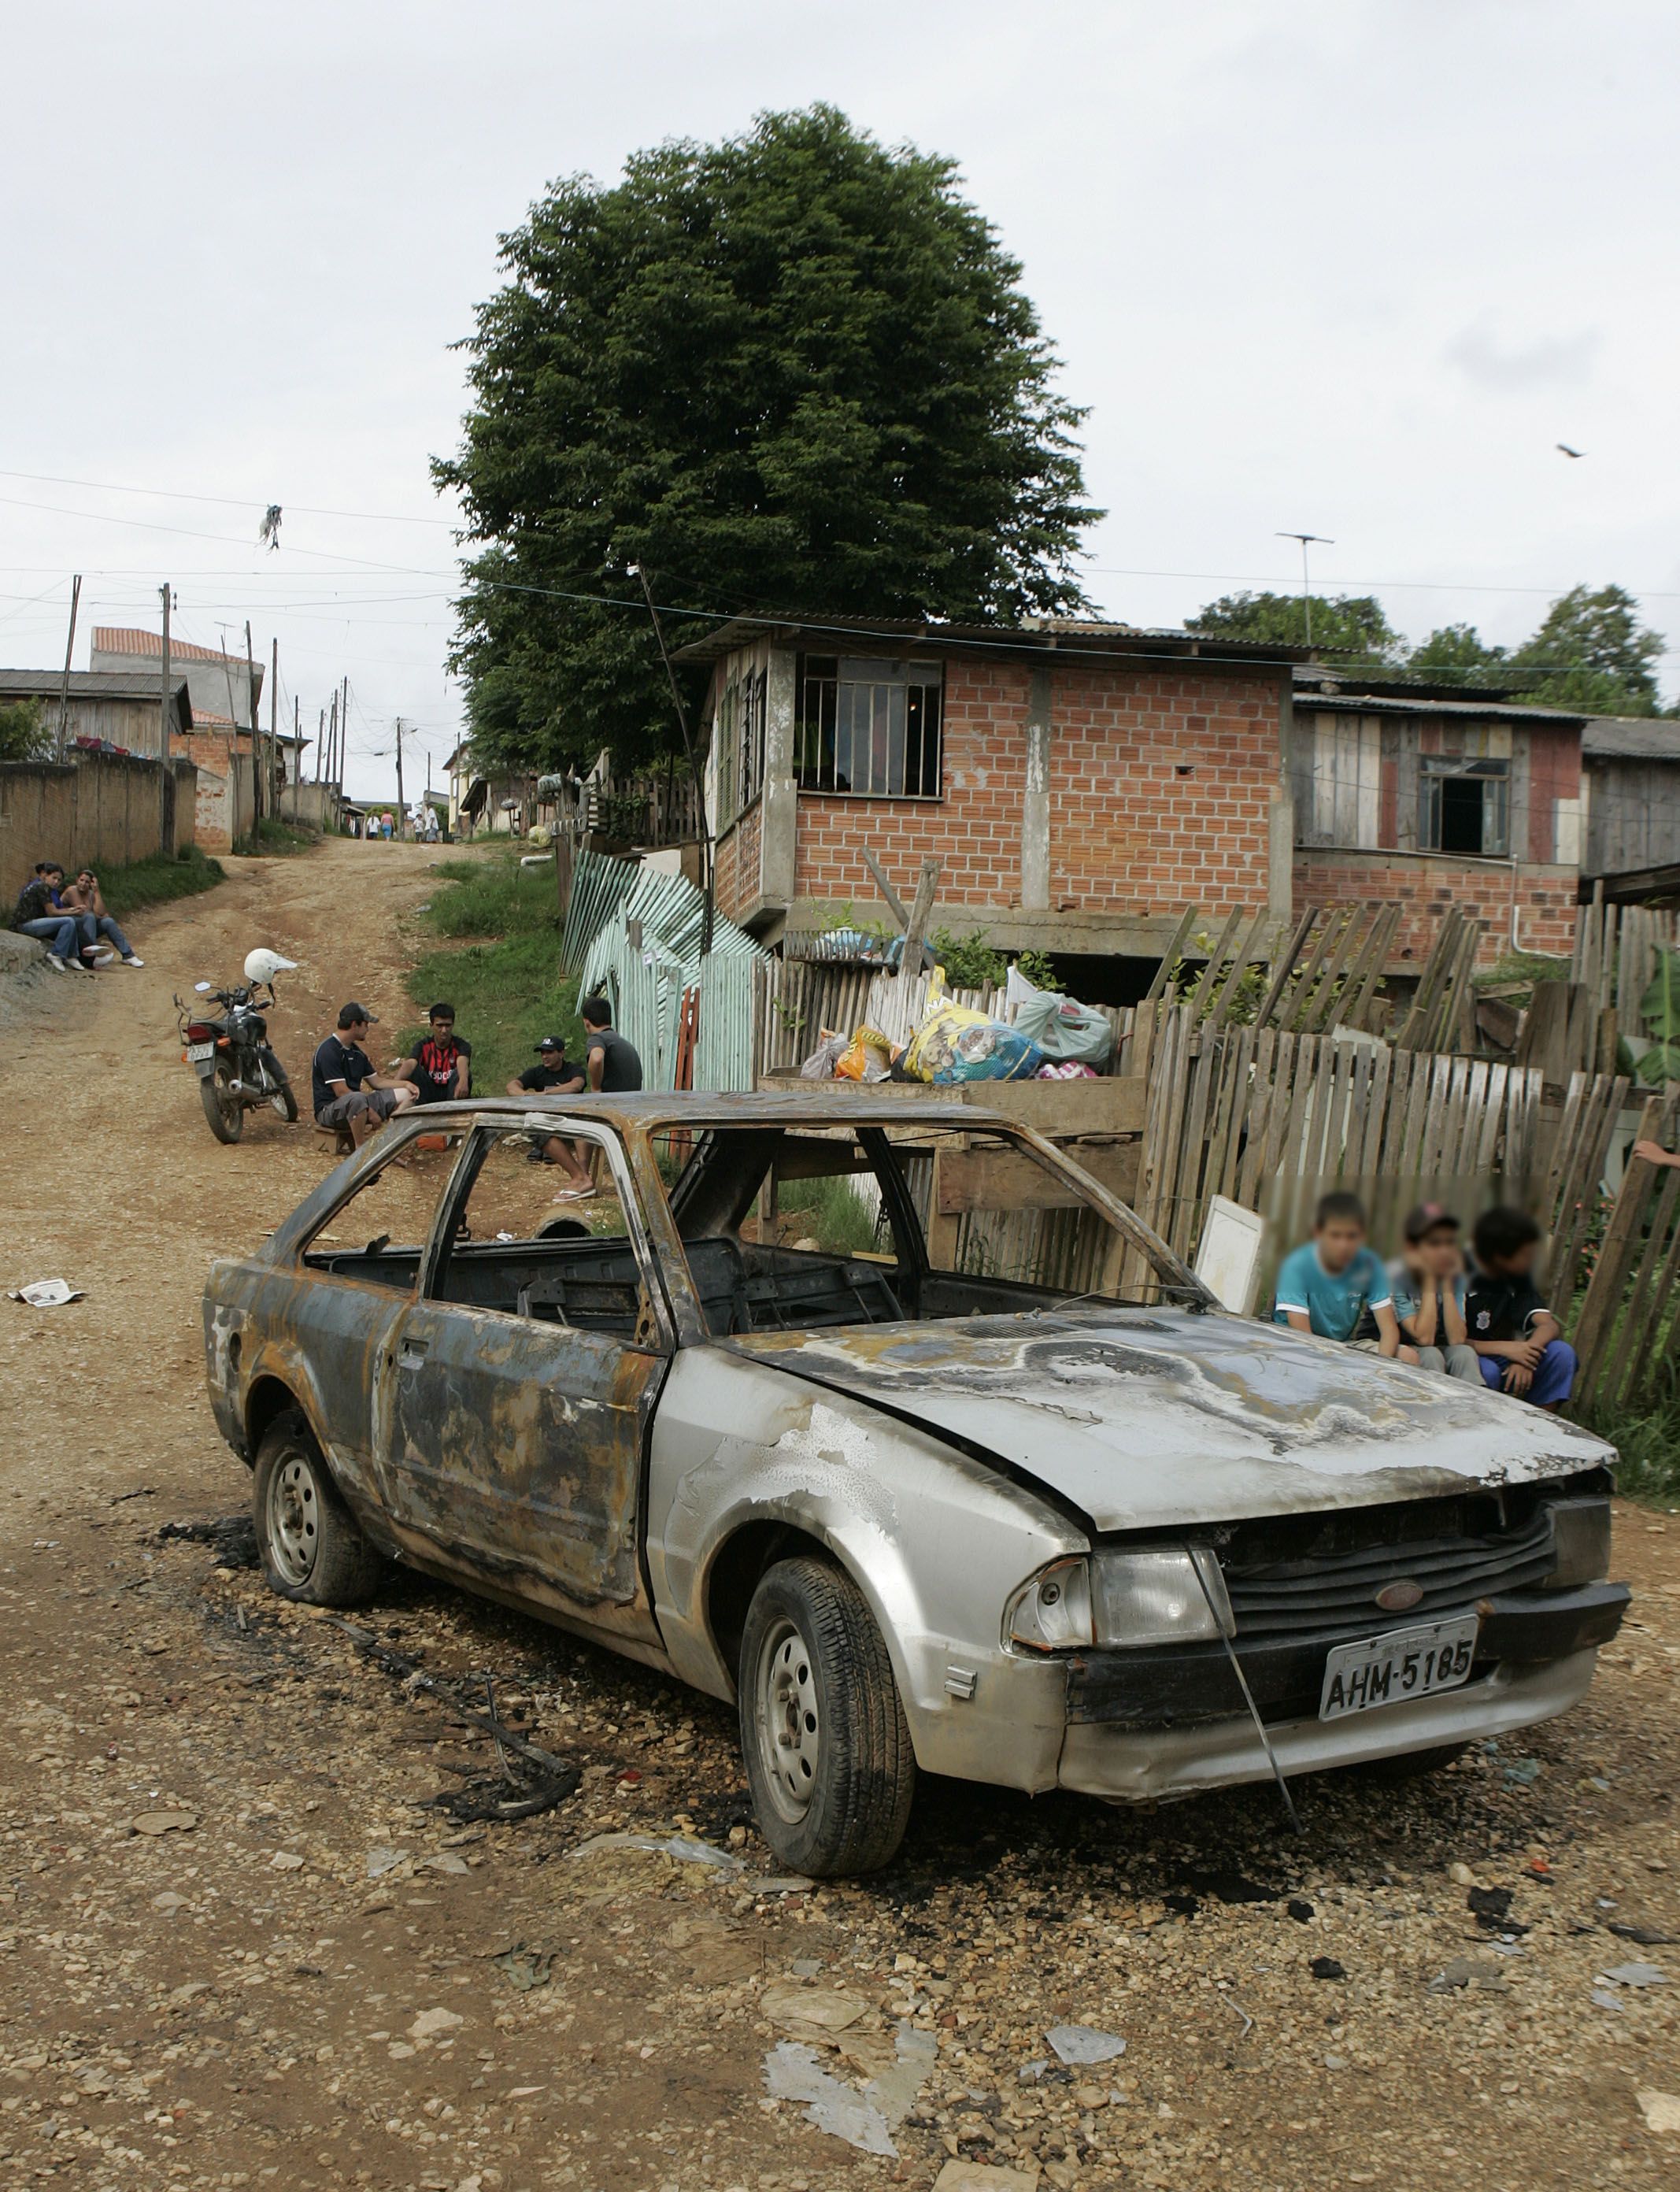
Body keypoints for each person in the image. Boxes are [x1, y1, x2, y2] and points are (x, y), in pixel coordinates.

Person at [1273, 1191, 1409, 1359]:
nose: (1343, 1245)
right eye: (1335, 1235)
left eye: (1351, 1236)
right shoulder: (1296, 1267)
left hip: (1341, 1346)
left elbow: (1389, 1331)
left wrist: (1379, 1369)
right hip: (1292, 1346)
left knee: (1408, 1356)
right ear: (1318, 1234)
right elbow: (1302, 1337)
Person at [1466, 1205, 1576, 1409]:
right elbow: (1448, 1341)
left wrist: (1527, 1357)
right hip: (1465, 1355)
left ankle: (1541, 1428)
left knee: (1561, 1353)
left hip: (1504, 1353)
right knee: (1486, 1371)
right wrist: (1508, 1349)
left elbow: (1549, 1325)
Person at [1386, 1203, 1480, 1382]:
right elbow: (1424, 1338)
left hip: (1436, 1346)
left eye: (1448, 1243)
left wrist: (1446, 1284)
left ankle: (1471, 1408)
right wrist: (1429, 1279)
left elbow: (1457, 1338)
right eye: (1434, 1243)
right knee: (1430, 1354)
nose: (1443, 1251)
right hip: (1401, 1348)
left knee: (1464, 1353)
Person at [311, 1003, 418, 1148]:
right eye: (366, 1025)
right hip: (329, 1110)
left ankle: (387, 1139)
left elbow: (377, 1082)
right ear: (355, 1024)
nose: (367, 1029)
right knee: (357, 1098)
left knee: (407, 1094)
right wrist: (370, 1110)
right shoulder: (329, 1050)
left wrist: (406, 1084)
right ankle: (361, 1150)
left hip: (358, 1104)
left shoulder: (357, 1053)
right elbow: (341, 1091)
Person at [507, 1035, 593, 1197]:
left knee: (582, 1124)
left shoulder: (574, 1069)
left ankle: (583, 1175)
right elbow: (511, 1086)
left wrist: (545, 1094)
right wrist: (525, 1096)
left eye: (549, 1052)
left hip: (573, 1118)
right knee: (536, 1131)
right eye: (542, 1053)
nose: (545, 1056)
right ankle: (579, 1177)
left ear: (561, 1053)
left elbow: (577, 1085)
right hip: (549, 1122)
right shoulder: (537, 1072)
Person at [12, 861, 92, 974]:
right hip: (24, 925)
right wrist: (72, 912)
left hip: (33, 922)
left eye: (59, 880)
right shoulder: (41, 887)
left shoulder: (47, 889)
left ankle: (71, 955)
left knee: (71, 920)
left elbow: (54, 910)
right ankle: (56, 954)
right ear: (46, 876)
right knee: (69, 921)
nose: (56, 882)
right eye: (54, 878)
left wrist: (73, 909)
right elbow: (52, 913)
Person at [58, 867, 143, 968]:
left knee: (108, 922)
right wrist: (97, 915)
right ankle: (91, 956)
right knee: (90, 917)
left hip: (88, 926)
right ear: (77, 880)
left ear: (91, 884)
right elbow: (84, 912)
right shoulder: (71, 890)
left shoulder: (91, 894)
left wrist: (97, 891)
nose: (83, 884)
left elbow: (101, 912)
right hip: (73, 927)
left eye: (87, 882)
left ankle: (128, 955)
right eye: (81, 880)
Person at [398, 1002, 472, 1105]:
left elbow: (463, 1062)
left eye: (448, 1025)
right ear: (431, 1026)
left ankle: (455, 1111)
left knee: (462, 1074)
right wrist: (395, 1084)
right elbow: (411, 1063)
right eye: (440, 1026)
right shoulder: (423, 1046)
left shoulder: (461, 1045)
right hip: (429, 1092)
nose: (444, 1030)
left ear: (453, 1025)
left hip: (451, 1092)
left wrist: (463, 1080)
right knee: (414, 1071)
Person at [580, 994, 643, 1092]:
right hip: (631, 1103)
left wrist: (595, 1088)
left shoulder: (597, 1039)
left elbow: (597, 1059)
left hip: (611, 1104)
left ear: (586, 1022)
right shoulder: (624, 1043)